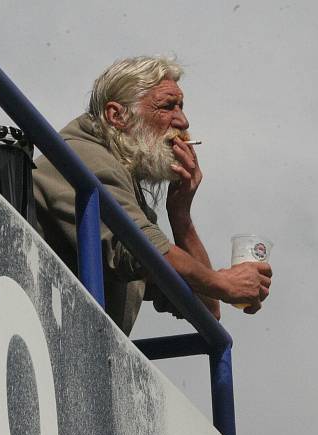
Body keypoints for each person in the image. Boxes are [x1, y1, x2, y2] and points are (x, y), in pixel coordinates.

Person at [33, 56, 272, 334]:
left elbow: (208, 309)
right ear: (117, 116)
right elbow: (138, 248)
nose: (182, 121)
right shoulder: (84, 156)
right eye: (168, 106)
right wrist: (223, 283)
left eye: (181, 107)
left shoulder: (123, 178)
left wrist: (181, 216)